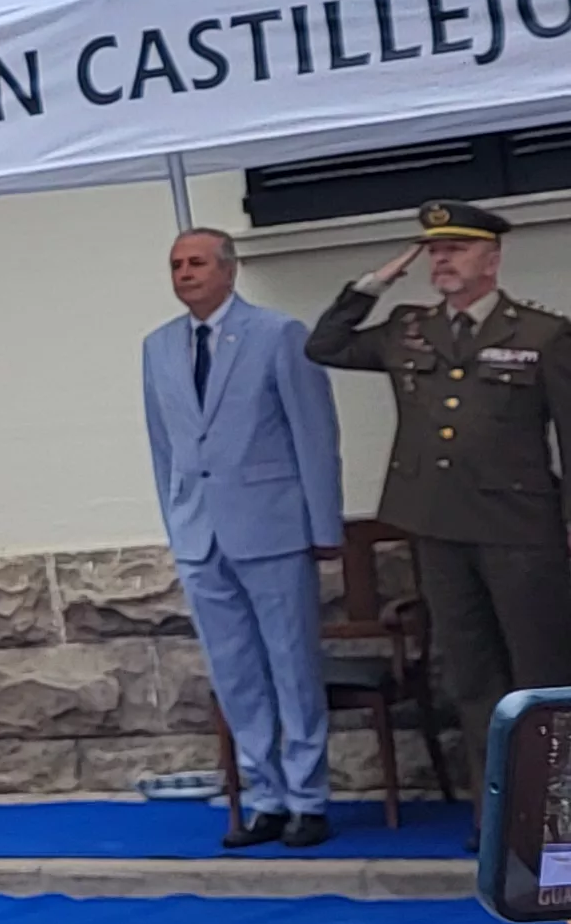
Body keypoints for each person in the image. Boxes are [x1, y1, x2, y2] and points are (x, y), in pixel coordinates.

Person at [308, 198, 571, 803]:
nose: (442, 260)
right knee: (472, 676)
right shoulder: (409, 328)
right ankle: (495, 811)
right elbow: (325, 345)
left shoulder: (541, 334)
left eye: (456, 249)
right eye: (433, 251)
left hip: (519, 529)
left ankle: (554, 811)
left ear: (492, 259)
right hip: (437, 527)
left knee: (542, 675)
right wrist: (377, 280)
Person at [145, 228, 348, 848]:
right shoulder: (159, 346)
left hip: (272, 525)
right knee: (234, 672)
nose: (185, 273)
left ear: (229, 270)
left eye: (197, 263)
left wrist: (324, 527)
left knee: (292, 664)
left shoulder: (277, 334)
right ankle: (266, 797)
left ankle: (308, 798)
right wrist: (175, 521)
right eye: (176, 264)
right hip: (200, 533)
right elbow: (163, 445)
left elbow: (314, 434)